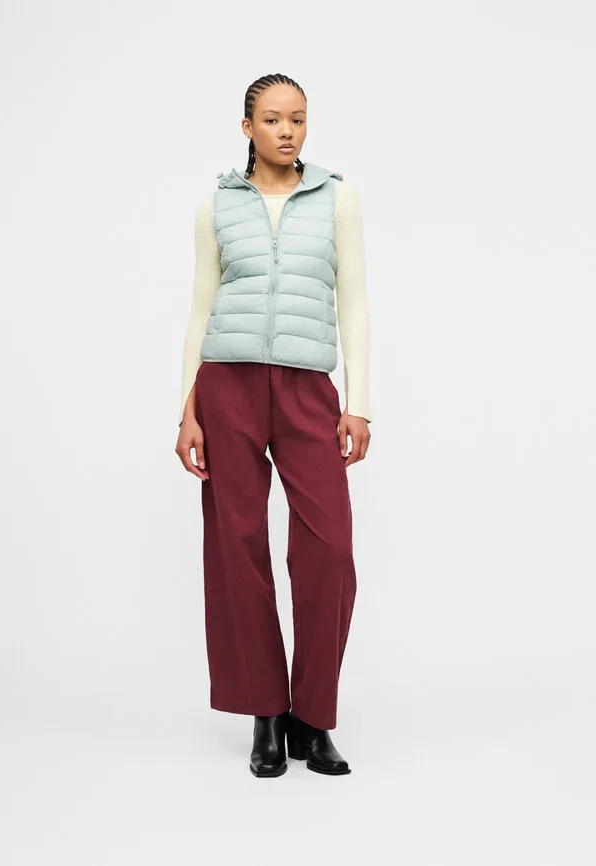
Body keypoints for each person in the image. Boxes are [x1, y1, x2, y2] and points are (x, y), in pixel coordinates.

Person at [175, 73, 372, 778]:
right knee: (238, 545)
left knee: (329, 549)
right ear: (247, 127)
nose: (287, 131)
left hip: (307, 387)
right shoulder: (216, 205)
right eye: (272, 119)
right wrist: (187, 408)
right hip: (226, 383)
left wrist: (358, 401)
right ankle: (265, 712)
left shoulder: (337, 199)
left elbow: (354, 301)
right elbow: (202, 305)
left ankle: (312, 717)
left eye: (298, 119)